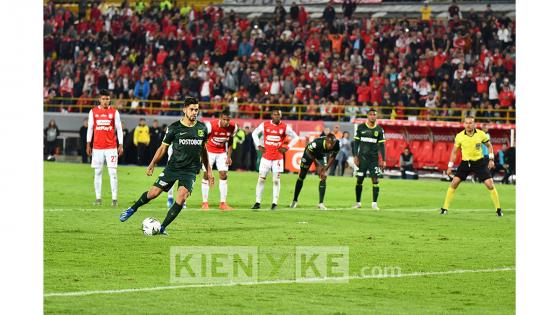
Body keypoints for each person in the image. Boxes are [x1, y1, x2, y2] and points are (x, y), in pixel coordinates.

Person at [120, 97, 214, 236]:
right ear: (184, 110)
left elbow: (204, 151)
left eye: (196, 110)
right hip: (173, 168)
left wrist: (209, 171)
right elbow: (163, 148)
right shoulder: (174, 128)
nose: (194, 112)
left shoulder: (202, 128)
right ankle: (132, 209)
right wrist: (152, 163)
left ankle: (161, 228)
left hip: (190, 171)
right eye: (192, 109)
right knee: (153, 193)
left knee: (181, 197)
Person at [440, 116, 503, 216]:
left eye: (470, 123)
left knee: (490, 184)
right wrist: (450, 166)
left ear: (474, 124)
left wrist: (491, 159)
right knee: (454, 183)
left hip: (479, 162)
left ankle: (498, 209)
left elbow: (489, 146)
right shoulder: (459, 136)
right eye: (466, 123)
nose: (468, 125)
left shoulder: (481, 134)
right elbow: (454, 152)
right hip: (466, 163)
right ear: (464, 124)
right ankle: (444, 208)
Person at [251, 109, 299, 210]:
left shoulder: (285, 127)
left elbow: (296, 137)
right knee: (261, 179)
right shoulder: (265, 125)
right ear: (272, 116)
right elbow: (254, 133)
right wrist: (258, 145)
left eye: (279, 115)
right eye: (275, 115)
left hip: (277, 158)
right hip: (266, 157)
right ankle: (257, 202)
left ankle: (274, 203)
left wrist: (287, 147)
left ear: (281, 116)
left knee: (276, 180)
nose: (277, 116)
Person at [86, 89, 124, 206]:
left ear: (109, 99)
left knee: (113, 173)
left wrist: (120, 145)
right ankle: (98, 198)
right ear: (99, 99)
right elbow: (90, 128)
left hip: (111, 148)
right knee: (98, 172)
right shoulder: (93, 112)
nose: (105, 101)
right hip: (97, 148)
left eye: (107, 99)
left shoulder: (114, 112)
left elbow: (119, 129)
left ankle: (114, 199)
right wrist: (88, 144)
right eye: (103, 99)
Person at [201, 109, 238, 211]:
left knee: (223, 175)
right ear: (220, 118)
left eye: (228, 120)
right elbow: (202, 141)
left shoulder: (233, 127)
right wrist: (202, 156)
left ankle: (223, 203)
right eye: (224, 120)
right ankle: (205, 203)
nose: (226, 122)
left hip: (222, 152)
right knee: (206, 174)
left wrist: (229, 156)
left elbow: (230, 141)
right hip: (209, 151)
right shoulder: (210, 125)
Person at [290, 134, 340, 210]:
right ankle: (295, 200)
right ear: (326, 141)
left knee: (323, 176)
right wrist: (317, 164)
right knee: (302, 176)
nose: (330, 146)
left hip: (321, 156)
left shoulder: (336, 144)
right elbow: (309, 152)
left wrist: (325, 169)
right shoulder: (317, 143)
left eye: (332, 144)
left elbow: (333, 157)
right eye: (329, 143)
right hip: (309, 154)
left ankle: (321, 203)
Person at [352, 109, 386, 210]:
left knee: (375, 180)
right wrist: (355, 156)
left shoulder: (379, 130)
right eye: (370, 115)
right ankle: (358, 203)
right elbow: (356, 143)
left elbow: (382, 145)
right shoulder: (361, 127)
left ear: (376, 116)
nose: (372, 116)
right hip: (362, 159)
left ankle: (374, 204)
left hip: (373, 160)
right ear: (367, 116)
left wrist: (383, 160)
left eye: (374, 115)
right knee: (359, 180)